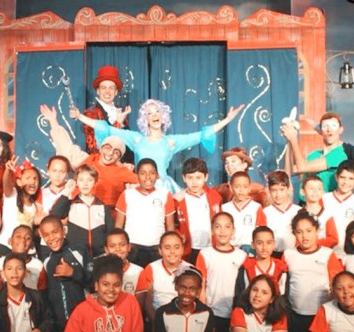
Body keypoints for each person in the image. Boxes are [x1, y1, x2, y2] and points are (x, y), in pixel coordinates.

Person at [70, 99, 243, 193]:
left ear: (163, 115)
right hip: (139, 185)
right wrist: (80, 117)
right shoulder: (136, 139)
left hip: (162, 187)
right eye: (149, 113)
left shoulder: (171, 142)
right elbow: (105, 129)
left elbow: (199, 136)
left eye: (157, 111)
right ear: (144, 119)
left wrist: (227, 120)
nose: (154, 115)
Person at [40, 105, 138, 208]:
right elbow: (67, 147)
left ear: (119, 157)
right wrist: (53, 122)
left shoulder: (123, 171)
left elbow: (143, 184)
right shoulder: (88, 161)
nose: (110, 153)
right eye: (108, 148)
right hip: (79, 212)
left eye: (116, 152)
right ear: (101, 149)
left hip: (106, 218)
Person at [282, 212, 344, 332]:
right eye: (299, 232)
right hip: (295, 316)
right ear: (294, 234)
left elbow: (338, 284)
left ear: (317, 231)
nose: (305, 236)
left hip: (320, 317)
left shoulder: (328, 254)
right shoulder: (288, 254)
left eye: (309, 231)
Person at [196, 212, 248, 332]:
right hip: (213, 311)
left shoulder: (242, 256)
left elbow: (245, 287)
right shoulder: (205, 254)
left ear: (233, 230)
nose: (222, 231)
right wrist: (204, 309)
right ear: (212, 230)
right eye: (218, 227)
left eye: (227, 227)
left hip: (234, 312)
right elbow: (201, 284)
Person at [115, 159, 176, 267]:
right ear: (137, 175)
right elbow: (119, 226)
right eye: (143, 173)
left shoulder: (165, 195)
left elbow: (170, 226)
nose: (147, 177)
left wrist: (167, 247)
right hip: (132, 248)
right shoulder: (127, 194)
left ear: (157, 175)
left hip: (156, 248)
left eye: (152, 173)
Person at [37, 216, 89, 332]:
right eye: (46, 235)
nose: (51, 238)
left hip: (83, 320)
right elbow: (45, 294)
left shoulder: (79, 251)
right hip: (59, 325)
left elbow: (94, 282)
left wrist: (73, 273)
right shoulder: (46, 261)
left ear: (63, 231)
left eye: (55, 232)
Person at [50, 164, 112, 259]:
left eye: (90, 180)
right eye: (81, 180)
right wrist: (67, 192)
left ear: (95, 182)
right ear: (76, 182)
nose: (85, 184)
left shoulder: (103, 207)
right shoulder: (70, 204)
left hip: (100, 256)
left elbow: (110, 232)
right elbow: (54, 216)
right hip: (76, 257)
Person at [281, 112, 350, 195]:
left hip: (325, 205)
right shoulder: (314, 155)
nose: (329, 129)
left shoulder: (340, 154)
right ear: (320, 131)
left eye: (333, 126)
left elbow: (302, 167)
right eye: (325, 126)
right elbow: (288, 172)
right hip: (305, 204)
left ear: (340, 130)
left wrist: (293, 139)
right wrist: (289, 141)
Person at [136, 231, 193, 322]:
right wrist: (158, 324)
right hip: (157, 319)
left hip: (184, 321)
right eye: (167, 248)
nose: (172, 252)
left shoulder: (190, 270)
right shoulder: (151, 268)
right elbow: (147, 304)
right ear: (160, 250)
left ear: (182, 249)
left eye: (177, 247)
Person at [174, 158, 222, 263]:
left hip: (210, 247)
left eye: (198, 177)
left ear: (206, 177)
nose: (194, 182)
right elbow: (174, 225)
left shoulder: (215, 197)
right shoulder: (178, 199)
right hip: (188, 249)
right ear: (183, 178)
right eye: (190, 178)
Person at [81, 65, 133, 161]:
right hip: (102, 166)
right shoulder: (90, 114)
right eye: (103, 88)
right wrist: (118, 123)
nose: (107, 92)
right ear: (98, 91)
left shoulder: (119, 112)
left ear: (116, 91)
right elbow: (94, 146)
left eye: (111, 88)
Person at [0, 157, 45, 255]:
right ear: (19, 182)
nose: (33, 182)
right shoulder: (12, 195)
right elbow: (6, 184)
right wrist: (8, 171)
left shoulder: (35, 206)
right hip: (7, 247)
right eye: (28, 178)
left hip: (27, 250)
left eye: (35, 179)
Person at [321, 160, 354, 256]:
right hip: (324, 252)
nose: (346, 182)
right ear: (336, 177)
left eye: (350, 178)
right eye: (342, 177)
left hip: (349, 254)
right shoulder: (324, 198)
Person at [234, 227, 287, 300]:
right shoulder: (246, 268)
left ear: (274, 244)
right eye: (259, 243)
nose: (264, 247)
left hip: (274, 310)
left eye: (268, 243)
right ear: (253, 245)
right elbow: (239, 296)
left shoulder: (281, 268)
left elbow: (283, 297)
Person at [221, 172, 267, 252]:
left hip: (250, 251)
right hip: (230, 250)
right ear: (231, 188)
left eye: (245, 187)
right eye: (237, 187)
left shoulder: (256, 207)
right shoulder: (225, 208)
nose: (241, 190)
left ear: (250, 188)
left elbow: (261, 232)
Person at [262, 171, 301, 256]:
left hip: (295, 253)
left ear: (288, 189)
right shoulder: (265, 213)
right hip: (272, 255)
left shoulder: (298, 211)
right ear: (269, 190)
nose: (278, 194)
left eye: (281, 190)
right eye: (274, 190)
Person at [0, 225, 42, 290]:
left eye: (27, 238)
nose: (23, 240)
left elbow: (42, 289)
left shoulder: (38, 265)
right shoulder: (0, 262)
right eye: (18, 236)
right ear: (10, 241)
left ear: (32, 245)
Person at [299, 175, 338, 248]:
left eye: (319, 189)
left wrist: (312, 243)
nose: (315, 192)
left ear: (323, 192)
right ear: (302, 191)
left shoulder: (328, 214)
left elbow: (333, 239)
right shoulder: (298, 214)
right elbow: (296, 239)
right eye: (311, 188)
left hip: (323, 254)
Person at [103, 228, 144, 294]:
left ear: (129, 247)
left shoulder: (139, 272)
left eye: (122, 245)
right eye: (112, 246)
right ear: (106, 250)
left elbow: (139, 302)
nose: (118, 249)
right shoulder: (99, 270)